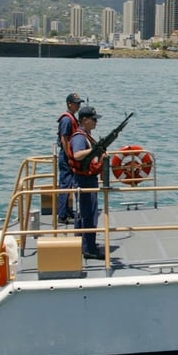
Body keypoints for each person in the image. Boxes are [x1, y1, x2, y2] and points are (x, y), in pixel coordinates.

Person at [68, 105, 106, 259]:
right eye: (93, 120)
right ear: (84, 120)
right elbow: (77, 155)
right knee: (88, 214)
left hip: (88, 179)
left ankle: (86, 244)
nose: (96, 123)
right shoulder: (79, 137)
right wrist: (94, 150)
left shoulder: (86, 135)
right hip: (84, 180)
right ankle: (88, 248)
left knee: (87, 213)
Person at [57, 93, 84, 225]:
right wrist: (70, 157)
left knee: (70, 184)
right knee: (65, 185)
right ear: (69, 104)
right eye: (76, 103)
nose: (78, 106)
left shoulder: (72, 118)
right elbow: (64, 139)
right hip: (66, 156)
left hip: (69, 154)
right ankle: (62, 215)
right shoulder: (67, 119)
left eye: (79, 103)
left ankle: (67, 211)